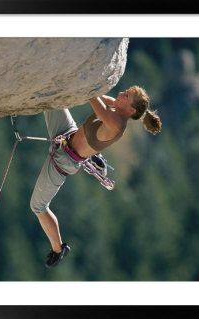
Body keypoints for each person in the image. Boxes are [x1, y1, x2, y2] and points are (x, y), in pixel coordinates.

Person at [30, 85, 162, 268]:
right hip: (67, 133)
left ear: (131, 110)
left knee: (38, 206)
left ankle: (58, 249)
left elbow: (91, 95)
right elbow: (96, 96)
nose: (121, 93)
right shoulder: (117, 107)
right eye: (126, 91)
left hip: (63, 161)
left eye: (127, 95)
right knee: (48, 93)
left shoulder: (116, 125)